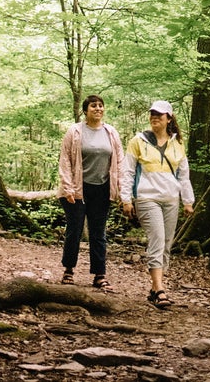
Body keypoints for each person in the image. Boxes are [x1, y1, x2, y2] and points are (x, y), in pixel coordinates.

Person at [121, 100, 194, 308]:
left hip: (171, 199)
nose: (155, 117)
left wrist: (188, 201)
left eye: (159, 115)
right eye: (152, 114)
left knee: (166, 244)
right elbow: (127, 172)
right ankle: (160, 289)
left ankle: (154, 289)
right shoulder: (138, 141)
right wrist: (126, 199)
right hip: (147, 198)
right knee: (157, 240)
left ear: (169, 119)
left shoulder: (178, 143)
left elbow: (183, 175)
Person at [57, 94, 125, 291]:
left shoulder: (111, 132)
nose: (98, 109)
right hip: (78, 188)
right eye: (93, 106)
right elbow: (65, 160)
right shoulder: (75, 131)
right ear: (86, 110)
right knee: (75, 230)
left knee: (98, 232)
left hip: (102, 188)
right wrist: (68, 187)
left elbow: (119, 161)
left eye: (101, 106)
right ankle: (68, 270)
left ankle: (99, 275)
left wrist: (121, 189)